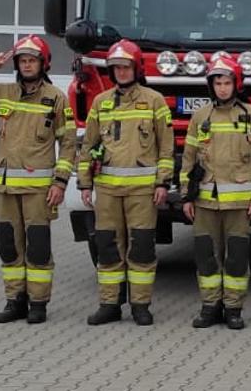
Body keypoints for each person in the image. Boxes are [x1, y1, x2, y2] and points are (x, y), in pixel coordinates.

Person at [0, 35, 76, 325]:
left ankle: (38, 303)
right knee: (8, 246)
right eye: (23, 60)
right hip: (6, 190)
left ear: (42, 63)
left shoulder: (56, 98)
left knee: (38, 248)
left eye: (32, 60)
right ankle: (14, 300)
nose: (27, 65)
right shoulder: (2, 93)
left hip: (38, 191)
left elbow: (68, 143)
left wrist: (60, 183)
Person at [75, 40, 174, 326]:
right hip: (106, 190)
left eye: (125, 66)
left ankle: (141, 305)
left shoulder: (154, 101)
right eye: (116, 67)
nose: (121, 72)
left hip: (142, 191)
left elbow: (166, 149)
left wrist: (162, 183)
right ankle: (109, 304)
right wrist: (84, 184)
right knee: (107, 247)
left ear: (136, 68)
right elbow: (88, 146)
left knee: (141, 248)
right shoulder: (100, 102)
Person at [179, 53, 251, 329]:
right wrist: (186, 195)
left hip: (240, 204)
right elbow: (189, 158)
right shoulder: (200, 117)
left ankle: (233, 308)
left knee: (236, 258)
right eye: (217, 82)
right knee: (207, 257)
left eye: (226, 82)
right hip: (206, 202)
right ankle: (210, 307)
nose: (222, 88)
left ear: (236, 84)